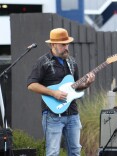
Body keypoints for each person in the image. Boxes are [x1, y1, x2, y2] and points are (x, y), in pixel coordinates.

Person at [27, 28, 95, 156]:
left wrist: (87, 84)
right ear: (53, 45)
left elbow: (75, 87)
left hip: (73, 114)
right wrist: (53, 93)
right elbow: (31, 85)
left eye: (67, 44)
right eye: (63, 44)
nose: (66, 47)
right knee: (53, 152)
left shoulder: (72, 62)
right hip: (52, 115)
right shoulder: (43, 62)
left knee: (75, 151)